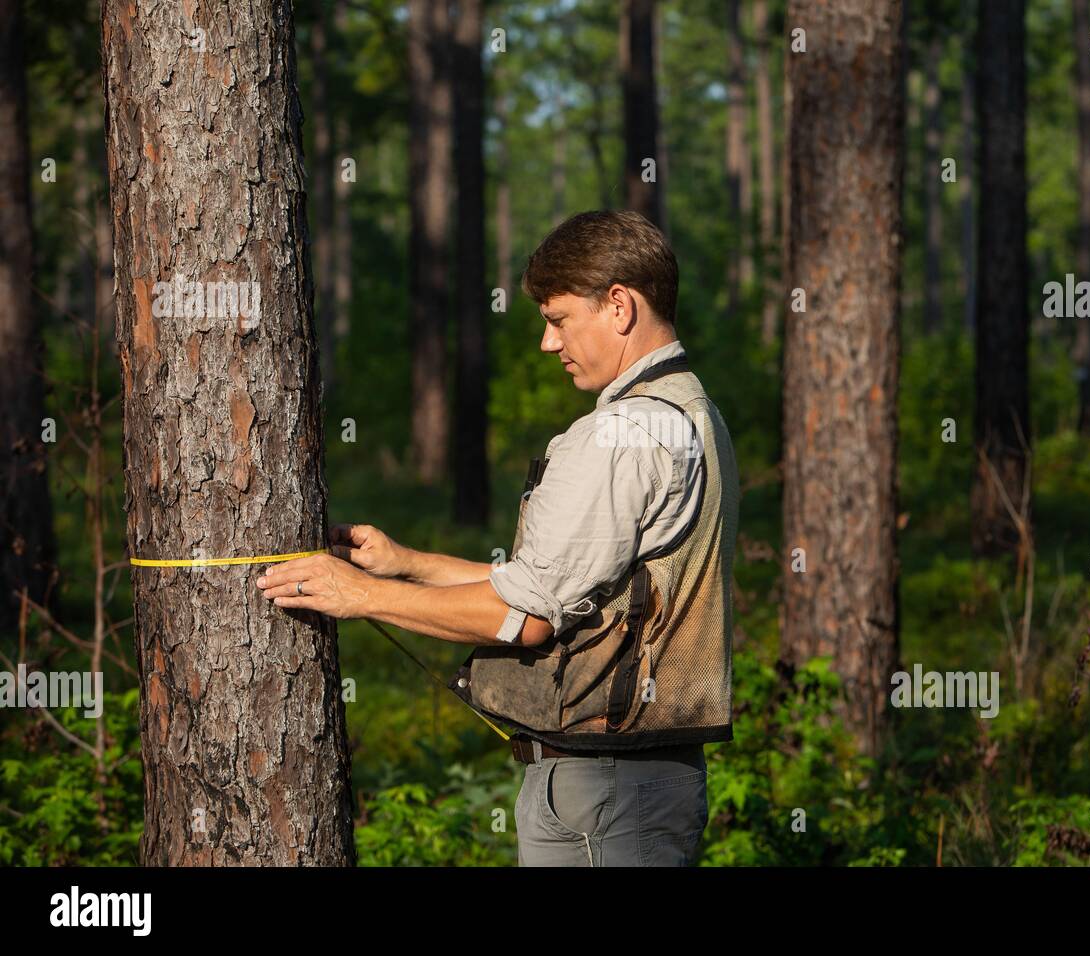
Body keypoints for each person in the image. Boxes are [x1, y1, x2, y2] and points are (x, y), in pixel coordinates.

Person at [256, 209, 740, 866]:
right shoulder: (693, 413)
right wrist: (408, 565)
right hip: (637, 781)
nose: (548, 341)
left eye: (559, 318)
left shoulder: (618, 437)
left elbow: (529, 616)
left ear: (619, 307)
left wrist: (362, 595)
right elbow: (557, 586)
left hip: (606, 789)